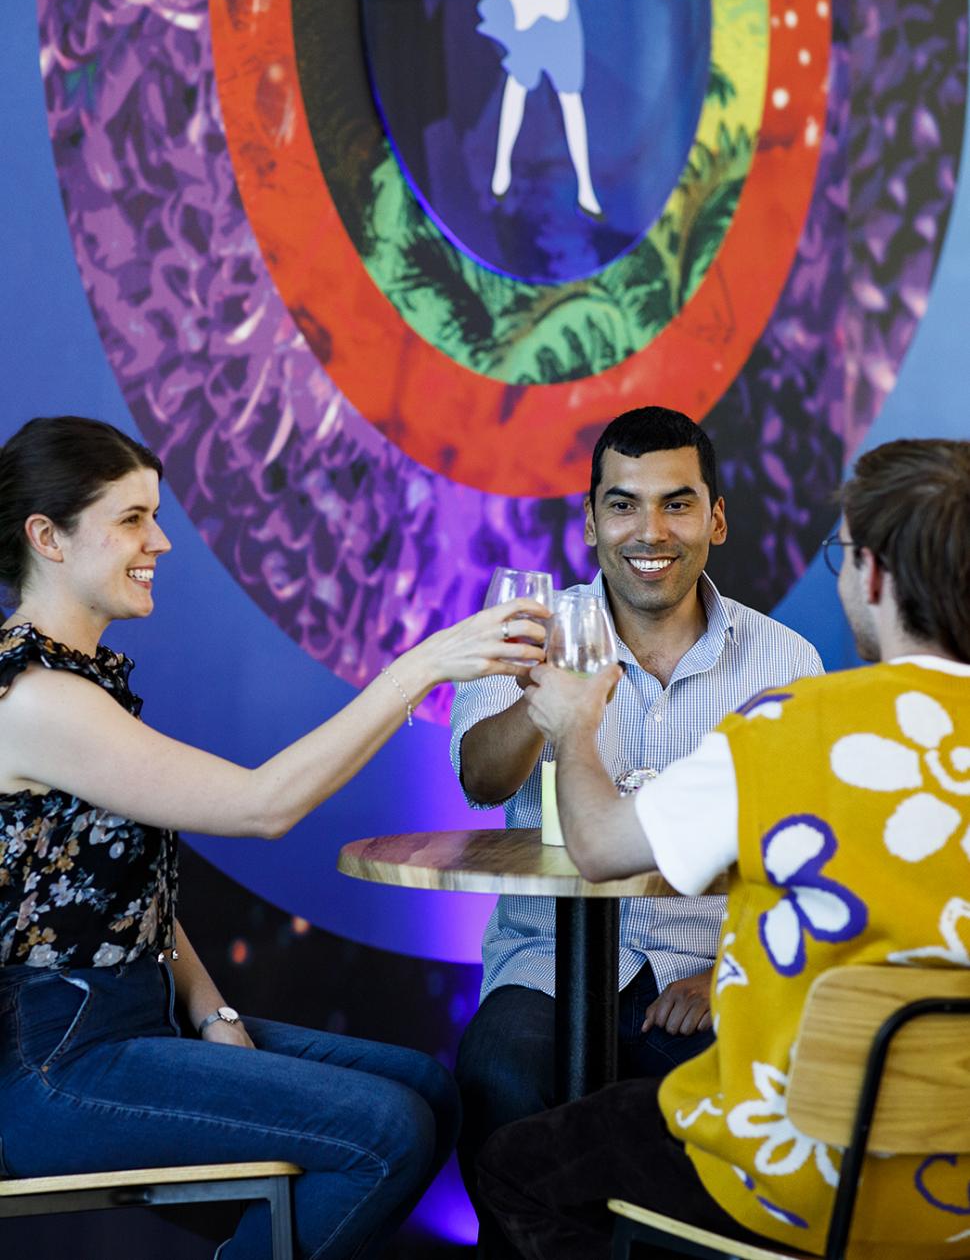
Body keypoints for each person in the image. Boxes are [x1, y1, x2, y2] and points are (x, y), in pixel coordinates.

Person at [0, 416, 549, 1260]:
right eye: (132, 518)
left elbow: (125, 890)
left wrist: (211, 1008)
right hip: (55, 1064)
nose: (163, 541)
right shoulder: (39, 700)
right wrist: (426, 665)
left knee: (430, 1091)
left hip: (132, 1020)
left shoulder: (81, 683)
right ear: (48, 538)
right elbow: (264, 806)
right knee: (390, 1131)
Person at [478, 436, 970, 1260]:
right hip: (954, 1205)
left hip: (793, 1181)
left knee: (519, 1169)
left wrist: (574, 727)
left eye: (842, 556)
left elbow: (598, 846)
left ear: (875, 575)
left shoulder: (794, 724)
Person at [450, 405, 823, 1255]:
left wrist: (731, 975)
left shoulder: (788, 662)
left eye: (676, 503)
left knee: (747, 1124)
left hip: (704, 971)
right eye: (622, 504)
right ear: (589, 522)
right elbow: (482, 779)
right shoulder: (527, 633)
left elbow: (801, 856)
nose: (648, 530)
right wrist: (546, 703)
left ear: (715, 519)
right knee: (500, 1075)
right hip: (544, 965)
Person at [478, 0, 602, 216]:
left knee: (570, 100)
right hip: (527, 14)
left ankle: (586, 189)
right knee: (517, 87)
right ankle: (501, 171)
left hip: (559, 13)